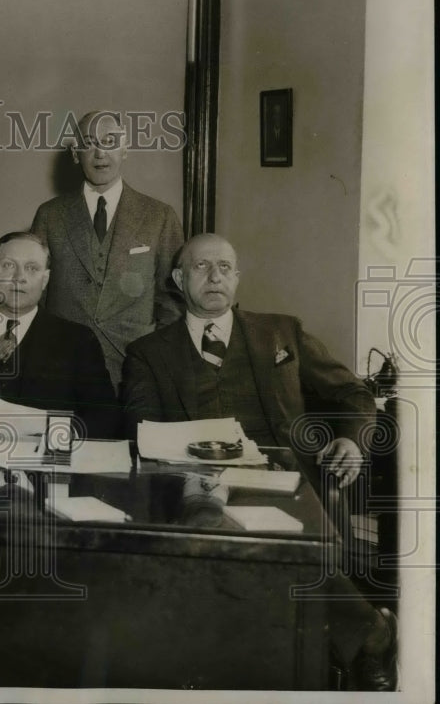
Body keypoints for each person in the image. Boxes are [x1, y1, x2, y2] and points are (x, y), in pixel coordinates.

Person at [121, 232, 397, 691]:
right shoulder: (147, 354)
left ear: (238, 278)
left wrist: (352, 440)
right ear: (177, 279)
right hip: (200, 479)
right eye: (201, 267)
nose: (215, 277)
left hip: (291, 478)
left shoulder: (281, 332)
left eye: (225, 267)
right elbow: (141, 431)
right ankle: (367, 633)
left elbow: (353, 392)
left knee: (285, 536)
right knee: (220, 531)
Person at [31, 110, 184, 387]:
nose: (100, 153)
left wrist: (155, 359)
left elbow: (172, 302)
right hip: (63, 367)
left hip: (136, 370)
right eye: (89, 143)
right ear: (76, 154)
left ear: (125, 150)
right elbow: (35, 297)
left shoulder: (159, 216)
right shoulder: (50, 216)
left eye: (110, 141)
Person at [0, 232, 120, 440]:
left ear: (45, 280)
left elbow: (105, 415)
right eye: (8, 265)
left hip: (45, 465)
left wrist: (67, 433)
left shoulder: (78, 340)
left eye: (32, 268)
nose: (19, 278)